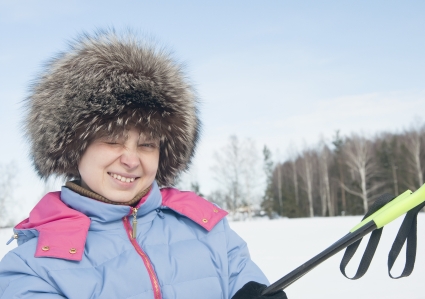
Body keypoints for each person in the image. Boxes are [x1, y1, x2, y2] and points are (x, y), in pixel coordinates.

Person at [0, 30, 287, 299]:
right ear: (74, 148)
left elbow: (241, 275)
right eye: (113, 140)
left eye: (147, 144)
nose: (131, 160)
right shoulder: (32, 266)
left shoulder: (208, 229)